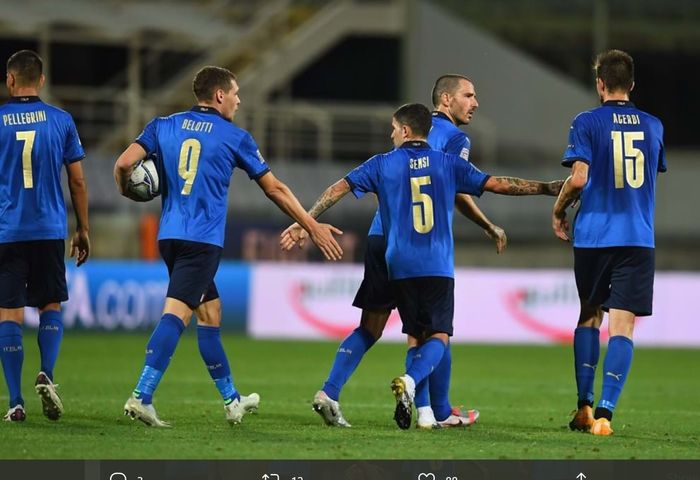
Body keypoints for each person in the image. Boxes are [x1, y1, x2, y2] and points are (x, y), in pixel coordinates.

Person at [285, 103, 562, 429]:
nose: (390, 134)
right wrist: (545, 188)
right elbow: (498, 184)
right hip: (434, 262)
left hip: (393, 258)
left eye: (392, 128)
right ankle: (415, 387)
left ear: (404, 131)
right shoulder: (447, 162)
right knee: (437, 336)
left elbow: (337, 189)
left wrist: (306, 221)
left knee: (373, 329)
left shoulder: (381, 163)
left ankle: (335, 393)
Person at [114, 66, 343, 427]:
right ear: (219, 95)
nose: (239, 100)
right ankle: (142, 396)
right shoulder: (235, 137)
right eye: (235, 93)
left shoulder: (163, 125)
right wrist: (311, 226)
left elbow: (124, 163)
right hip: (201, 242)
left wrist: (127, 188)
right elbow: (275, 188)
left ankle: (232, 399)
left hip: (170, 235)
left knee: (211, 313)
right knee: (177, 315)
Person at [552, 49, 666, 436]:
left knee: (589, 314)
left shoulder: (586, 121)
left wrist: (559, 207)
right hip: (636, 235)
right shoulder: (654, 126)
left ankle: (583, 405)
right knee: (623, 326)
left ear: (600, 83)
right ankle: (606, 413)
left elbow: (579, 178)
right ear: (631, 84)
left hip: (594, 236)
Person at [0, 50, 90, 422]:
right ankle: (47, 374)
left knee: (9, 313)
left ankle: (16, 402)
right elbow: (78, 180)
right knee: (50, 304)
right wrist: (82, 228)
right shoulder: (61, 120)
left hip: (7, 231)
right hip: (50, 229)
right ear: (40, 80)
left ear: (9, 80)